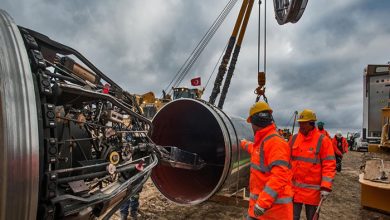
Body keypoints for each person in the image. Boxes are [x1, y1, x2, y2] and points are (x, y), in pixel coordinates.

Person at [241, 101, 293, 219]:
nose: (251, 127)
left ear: (255, 122)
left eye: (251, 123)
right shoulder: (265, 140)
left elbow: (279, 176)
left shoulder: (276, 142)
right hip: (260, 209)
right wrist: (243, 143)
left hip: (274, 212)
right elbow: (255, 150)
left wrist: (263, 203)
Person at [289, 109, 336, 220]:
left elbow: (329, 165)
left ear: (311, 123)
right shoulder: (294, 138)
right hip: (294, 191)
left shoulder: (323, 140)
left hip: (313, 193)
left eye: (304, 123)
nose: (301, 126)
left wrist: (326, 186)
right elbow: (286, 160)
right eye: (300, 123)